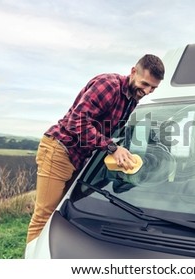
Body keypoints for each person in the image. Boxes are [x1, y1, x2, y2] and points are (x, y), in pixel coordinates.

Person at [26, 54, 165, 243]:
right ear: (133, 72)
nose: (148, 91)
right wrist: (112, 148)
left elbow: (111, 131)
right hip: (59, 150)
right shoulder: (108, 85)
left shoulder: (132, 99)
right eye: (145, 84)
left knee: (64, 211)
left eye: (153, 88)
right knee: (44, 216)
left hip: (80, 157)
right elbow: (77, 122)